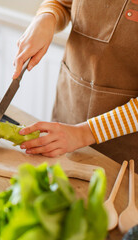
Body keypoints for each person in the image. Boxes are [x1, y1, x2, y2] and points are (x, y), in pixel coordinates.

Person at [12, 0, 138, 167]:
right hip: (67, 115)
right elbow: (62, 3)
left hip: (123, 151)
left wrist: (82, 134)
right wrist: (47, 17)